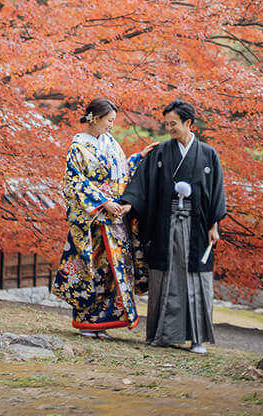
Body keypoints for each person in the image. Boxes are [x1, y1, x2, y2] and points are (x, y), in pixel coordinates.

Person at [120, 99, 226, 353]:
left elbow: (216, 192)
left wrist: (214, 225)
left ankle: (197, 339)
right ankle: (161, 335)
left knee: (196, 279)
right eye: (166, 124)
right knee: (163, 276)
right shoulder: (160, 153)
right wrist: (129, 204)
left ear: (188, 123)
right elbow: (142, 185)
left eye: (174, 124)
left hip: (197, 227)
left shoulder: (208, 154)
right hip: (164, 226)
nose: (169, 128)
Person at [52, 97, 144, 337]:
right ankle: (86, 321)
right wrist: (104, 202)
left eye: (113, 121)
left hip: (114, 219)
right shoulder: (78, 146)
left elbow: (122, 174)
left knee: (111, 272)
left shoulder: (112, 144)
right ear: (94, 118)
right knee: (90, 268)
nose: (111, 125)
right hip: (92, 219)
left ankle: (102, 323)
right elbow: (74, 182)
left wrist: (138, 158)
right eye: (109, 120)